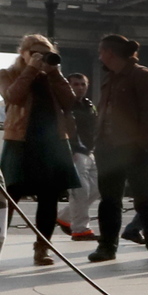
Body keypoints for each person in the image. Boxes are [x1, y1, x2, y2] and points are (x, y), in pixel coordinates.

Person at [88, 35, 148, 262]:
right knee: (109, 200)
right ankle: (106, 247)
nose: (99, 56)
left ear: (109, 53)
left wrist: (143, 143)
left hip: (134, 148)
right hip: (108, 147)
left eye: (101, 51)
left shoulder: (141, 75)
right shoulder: (110, 78)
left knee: (144, 199)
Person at [3, 34, 81, 265]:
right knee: (8, 197)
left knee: (49, 198)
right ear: (23, 53)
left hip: (52, 143)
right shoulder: (8, 74)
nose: (40, 57)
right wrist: (31, 70)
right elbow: (13, 96)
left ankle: (43, 248)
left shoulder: (54, 77)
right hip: (20, 142)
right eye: (35, 52)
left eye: (44, 52)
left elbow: (69, 102)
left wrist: (54, 73)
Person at [61, 72, 99, 242]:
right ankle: (80, 229)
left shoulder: (89, 105)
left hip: (90, 151)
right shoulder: (64, 104)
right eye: (75, 84)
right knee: (81, 190)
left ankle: (65, 216)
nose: (80, 87)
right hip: (74, 151)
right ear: (68, 86)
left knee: (97, 188)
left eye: (83, 84)